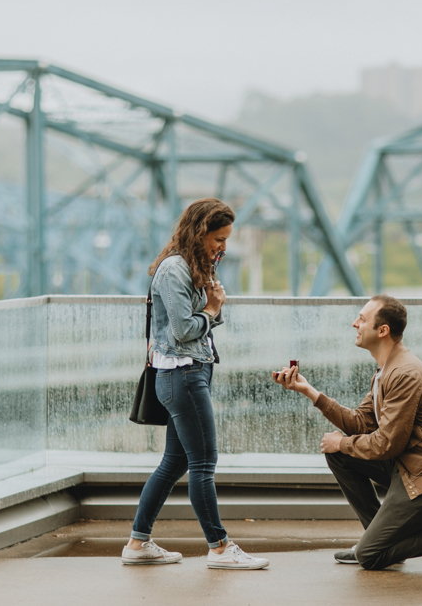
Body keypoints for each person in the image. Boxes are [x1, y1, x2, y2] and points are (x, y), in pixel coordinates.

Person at [271, 294, 422, 572]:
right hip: (413, 466)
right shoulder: (384, 371)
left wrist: (342, 442)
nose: (355, 323)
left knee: (370, 557)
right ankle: (380, 541)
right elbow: (359, 423)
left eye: (362, 319)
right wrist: (310, 392)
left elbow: (387, 443)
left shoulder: (404, 373)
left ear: (383, 330)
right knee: (339, 455)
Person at [122, 198, 268, 570]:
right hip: (181, 374)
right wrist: (213, 310)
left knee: (174, 462)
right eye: (218, 239)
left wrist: (210, 307)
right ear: (199, 232)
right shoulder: (174, 269)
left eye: (226, 239)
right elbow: (184, 329)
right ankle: (219, 547)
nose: (223, 246)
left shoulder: (190, 266)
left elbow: (192, 324)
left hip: (188, 372)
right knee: (204, 462)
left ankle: (138, 544)